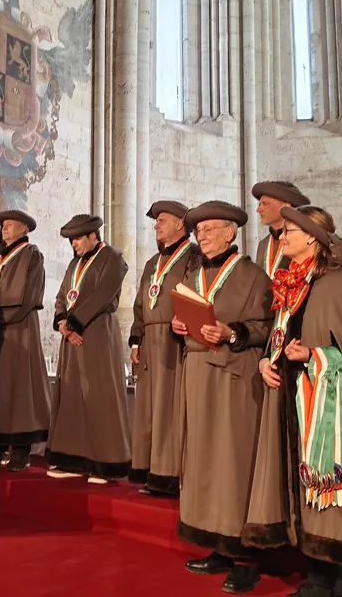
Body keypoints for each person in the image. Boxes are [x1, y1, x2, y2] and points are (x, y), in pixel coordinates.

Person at [243, 206, 342, 596]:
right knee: (302, 487)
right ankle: (317, 576)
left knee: (331, 491)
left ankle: (336, 581)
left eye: (288, 231)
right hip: (293, 400)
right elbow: (282, 338)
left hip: (330, 409)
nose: (281, 237)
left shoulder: (339, 284)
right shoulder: (295, 283)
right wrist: (265, 363)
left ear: (312, 237)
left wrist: (314, 356)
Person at [171, 201, 272, 594]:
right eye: (200, 230)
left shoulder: (253, 275)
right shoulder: (194, 274)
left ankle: (246, 556)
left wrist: (232, 332)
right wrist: (181, 325)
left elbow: (267, 326)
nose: (203, 236)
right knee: (204, 461)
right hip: (197, 373)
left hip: (234, 377)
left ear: (232, 232)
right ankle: (216, 543)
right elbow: (190, 316)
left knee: (233, 461)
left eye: (211, 229)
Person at [46, 214, 131, 483]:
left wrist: (74, 323)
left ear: (94, 236)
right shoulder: (75, 264)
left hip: (97, 333)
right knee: (73, 396)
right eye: (71, 240)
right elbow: (63, 295)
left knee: (99, 396)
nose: (74, 244)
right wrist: (61, 320)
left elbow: (103, 294)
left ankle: (107, 464)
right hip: (73, 336)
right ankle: (74, 459)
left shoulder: (112, 258)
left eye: (78, 238)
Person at [128, 200, 193, 497]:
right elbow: (140, 303)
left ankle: (170, 473)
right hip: (150, 340)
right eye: (155, 220)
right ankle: (148, 467)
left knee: (170, 406)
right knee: (148, 408)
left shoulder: (193, 257)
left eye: (161, 220)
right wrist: (135, 338)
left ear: (180, 223)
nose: (155, 225)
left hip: (175, 339)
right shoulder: (152, 263)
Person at [0, 210, 51, 473]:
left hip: (18, 328)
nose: (4, 229)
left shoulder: (31, 256)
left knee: (20, 388)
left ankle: (21, 449)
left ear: (24, 229)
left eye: (9, 225)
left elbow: (30, 294)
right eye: (2, 226)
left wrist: (1, 319)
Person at [252, 181, 310, 279]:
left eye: (265, 204)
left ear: (286, 207)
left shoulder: (305, 240)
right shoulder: (263, 244)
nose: (259, 210)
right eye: (259, 204)